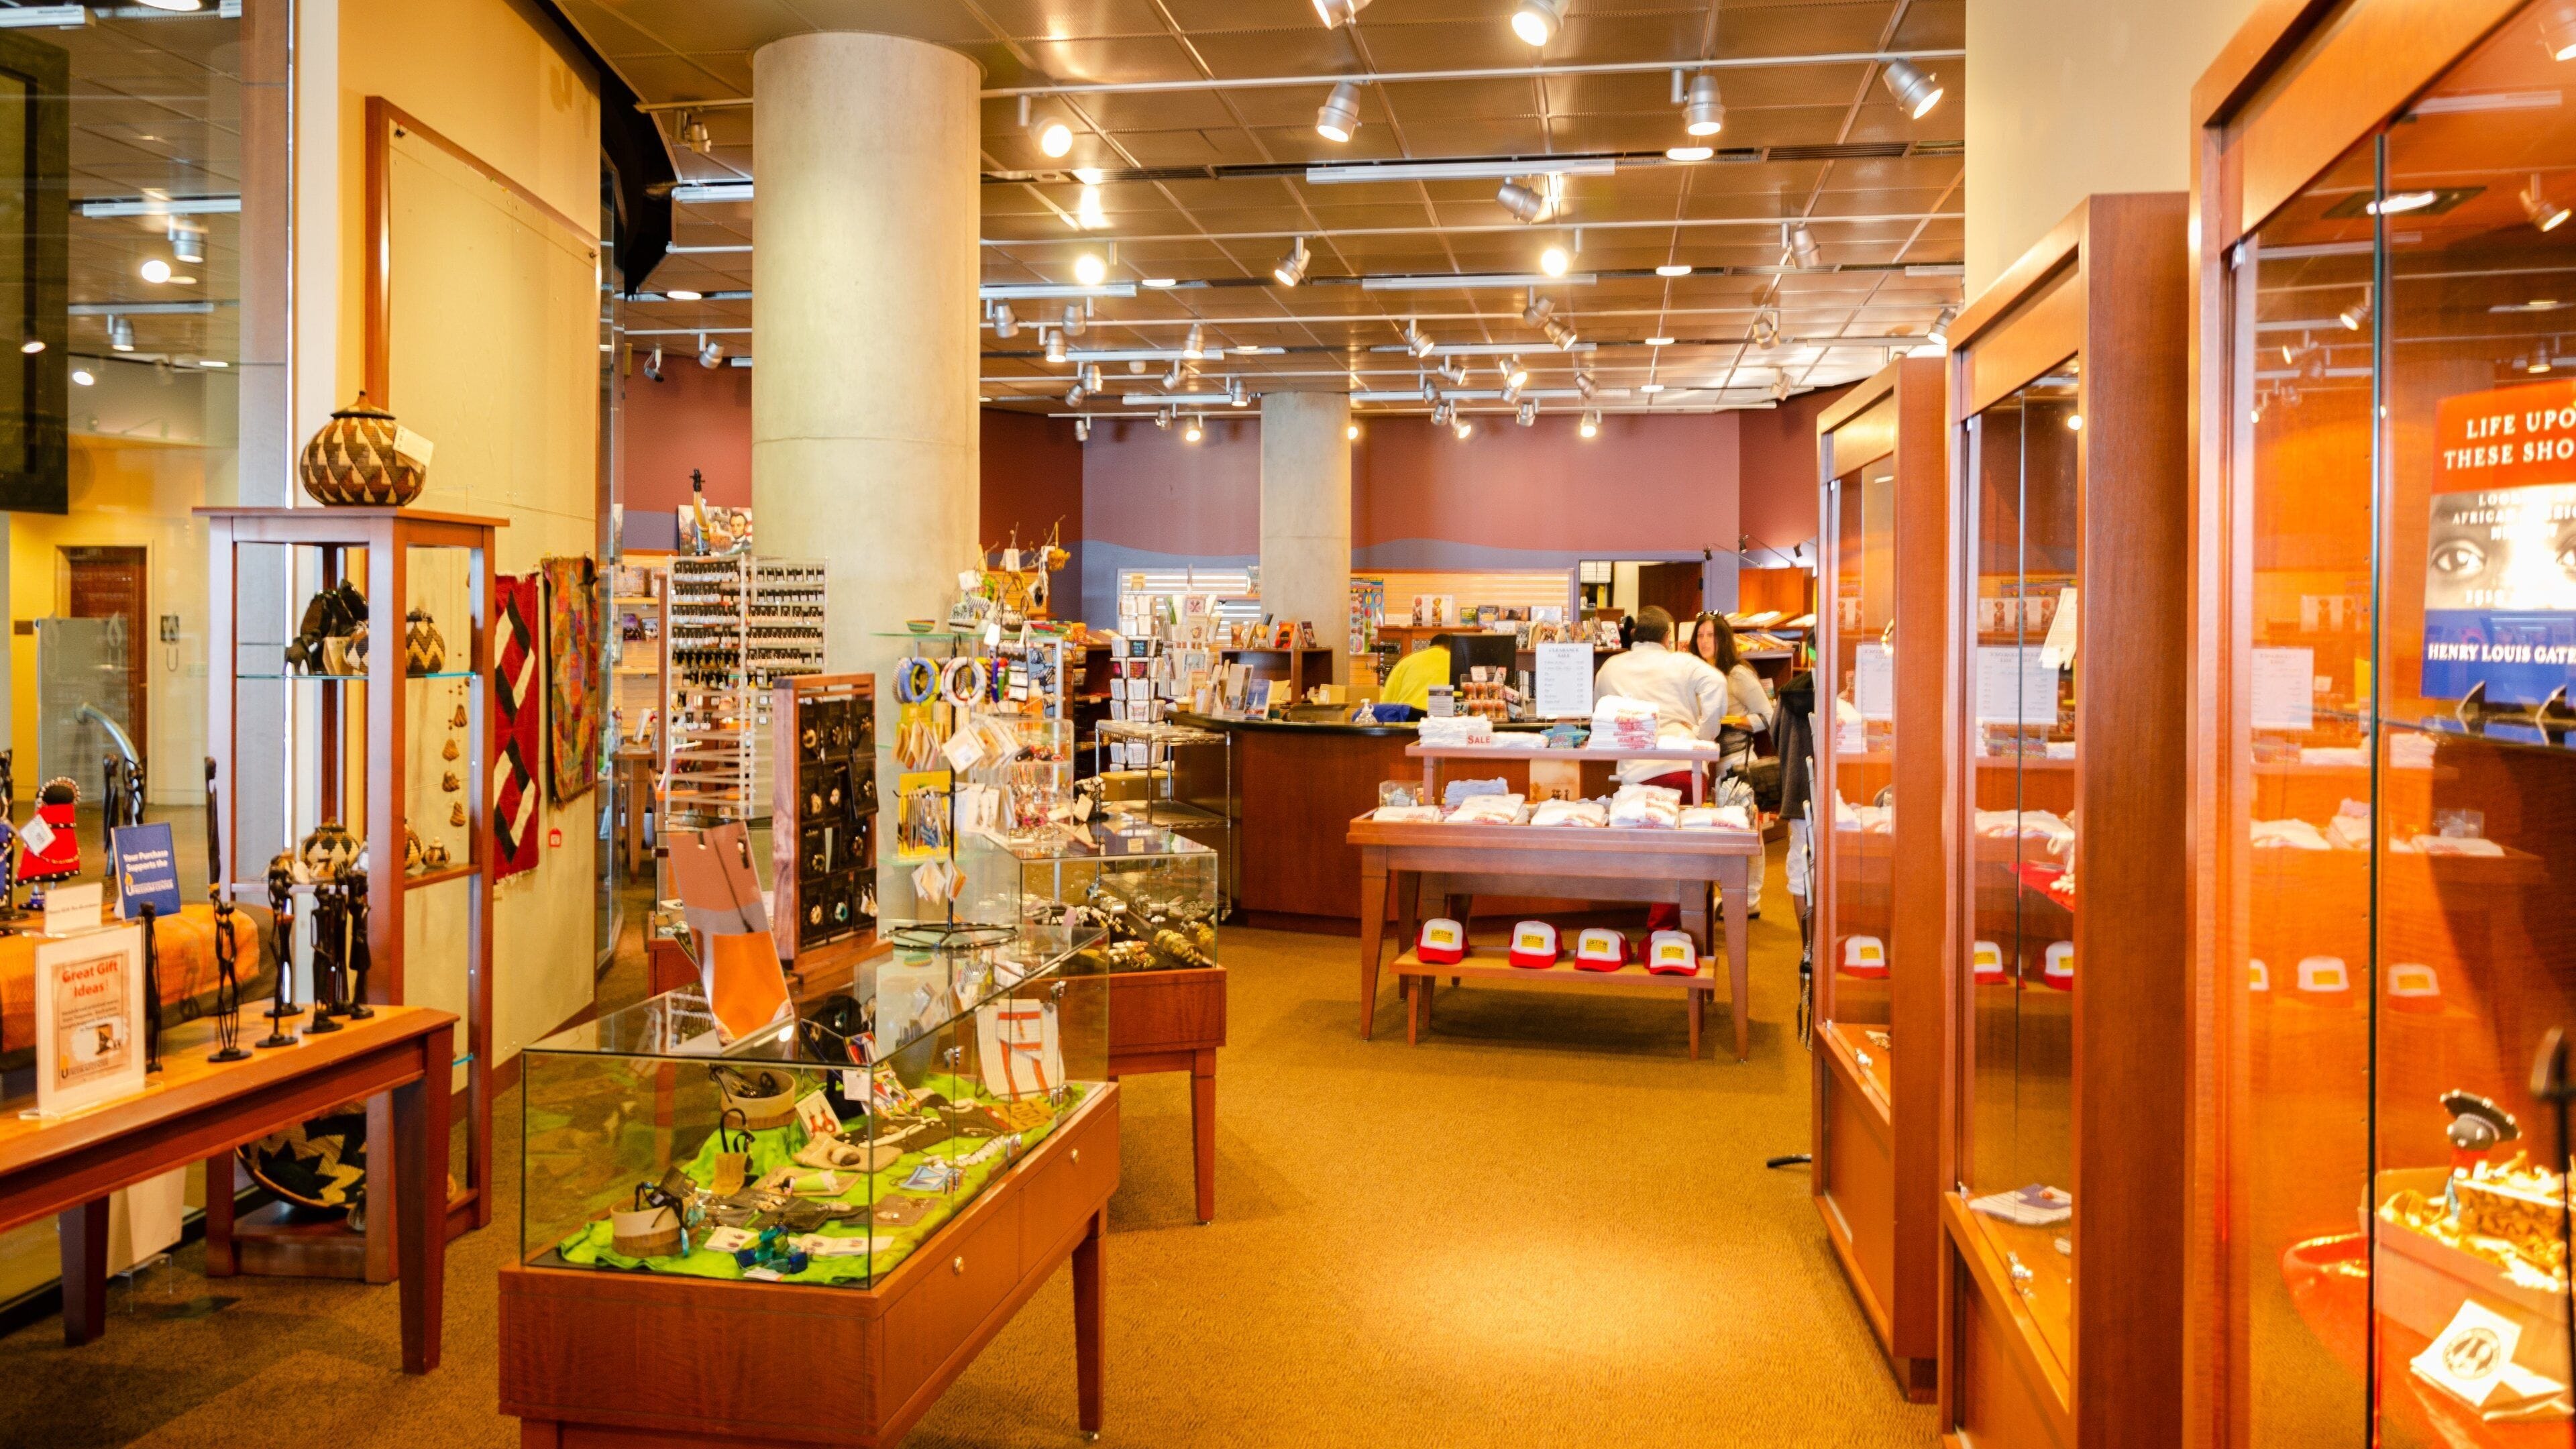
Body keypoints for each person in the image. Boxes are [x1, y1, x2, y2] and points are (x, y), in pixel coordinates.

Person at [1593, 606, 1731, 930]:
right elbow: (1717, 684)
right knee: (1685, 850)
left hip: (1637, 771)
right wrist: (1703, 734)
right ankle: (1674, 926)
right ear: (1667, 636)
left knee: (1654, 851)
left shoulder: (1612, 667)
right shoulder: (1680, 661)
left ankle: (1663, 924)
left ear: (1633, 634)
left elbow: (1602, 710)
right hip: (1684, 767)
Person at [1377, 639, 1451, 712]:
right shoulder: (1454, 660)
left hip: (1406, 716)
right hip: (1441, 717)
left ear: (1430, 646)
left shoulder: (1406, 661)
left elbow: (1387, 700)